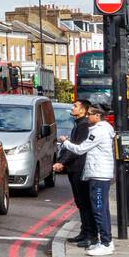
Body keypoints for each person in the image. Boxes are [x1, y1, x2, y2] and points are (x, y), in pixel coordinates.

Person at [58, 103, 116, 255]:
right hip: (99, 173)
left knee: (99, 210)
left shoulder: (98, 131)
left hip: (99, 174)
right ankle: (106, 241)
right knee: (102, 209)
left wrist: (65, 142)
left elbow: (80, 149)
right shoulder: (102, 129)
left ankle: (105, 243)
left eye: (90, 114)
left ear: (98, 116)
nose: (88, 116)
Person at [54, 99, 96, 248]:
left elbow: (77, 149)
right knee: (80, 203)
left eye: (76, 106)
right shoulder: (79, 124)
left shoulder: (84, 126)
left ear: (83, 110)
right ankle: (84, 232)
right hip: (75, 168)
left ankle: (91, 235)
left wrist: (62, 163)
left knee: (85, 202)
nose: (73, 108)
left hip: (80, 168)